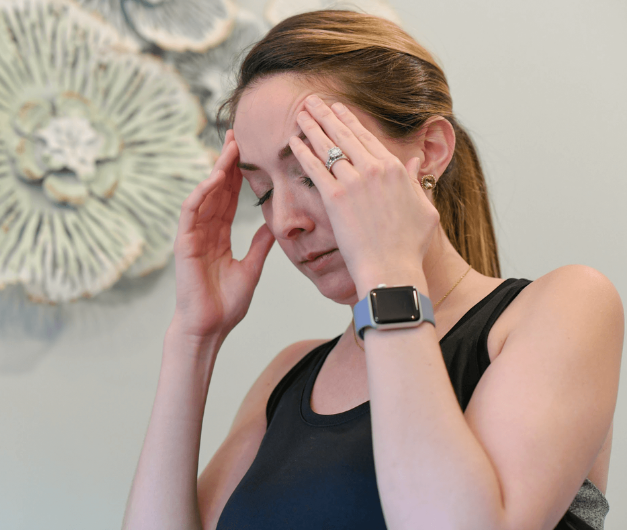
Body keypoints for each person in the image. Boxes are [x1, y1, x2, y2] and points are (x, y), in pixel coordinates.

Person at [122, 10, 623, 530]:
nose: (286, 220)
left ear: (429, 152)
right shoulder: (288, 377)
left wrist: (388, 270)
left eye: (315, 172)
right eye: (263, 193)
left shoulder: (564, 307)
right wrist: (193, 337)